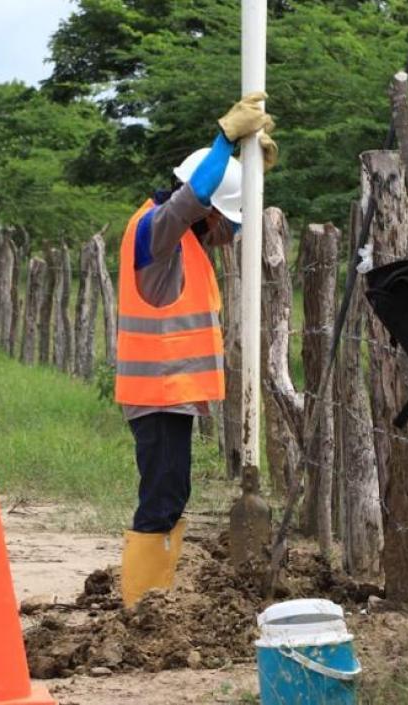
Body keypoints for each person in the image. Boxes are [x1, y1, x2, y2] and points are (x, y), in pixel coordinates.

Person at [116, 92, 277, 607]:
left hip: (171, 394)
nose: (229, 237)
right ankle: (142, 605)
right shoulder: (157, 230)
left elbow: (202, 200)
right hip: (158, 394)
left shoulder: (180, 243)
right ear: (206, 211)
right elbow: (193, 197)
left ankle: (153, 598)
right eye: (229, 223)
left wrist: (246, 163)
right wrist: (224, 139)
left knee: (171, 495)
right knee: (161, 499)